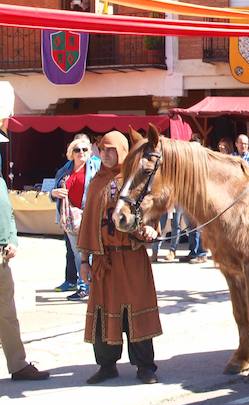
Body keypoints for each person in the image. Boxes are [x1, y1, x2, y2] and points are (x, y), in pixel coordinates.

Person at [77, 131, 162, 384]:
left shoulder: (134, 181)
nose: (105, 154)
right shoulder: (96, 184)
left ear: (123, 152)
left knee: (138, 312)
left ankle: (145, 367)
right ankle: (106, 365)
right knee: (104, 313)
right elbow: (88, 224)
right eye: (102, 149)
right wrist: (84, 261)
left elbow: (151, 210)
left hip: (133, 258)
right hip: (105, 262)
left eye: (111, 150)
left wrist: (150, 228)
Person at [1, 148, 51, 382]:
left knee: (7, 315)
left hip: (2, 257)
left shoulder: (0, 181)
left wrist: (11, 239)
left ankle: (18, 365)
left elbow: (8, 214)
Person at [51, 134, 101, 300]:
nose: (81, 153)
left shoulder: (96, 167)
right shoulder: (64, 170)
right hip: (72, 218)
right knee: (78, 253)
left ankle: (93, 286)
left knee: (91, 252)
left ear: (90, 152)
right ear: (71, 153)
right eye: (77, 150)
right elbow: (52, 192)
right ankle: (84, 285)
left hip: (91, 216)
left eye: (84, 149)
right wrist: (54, 192)